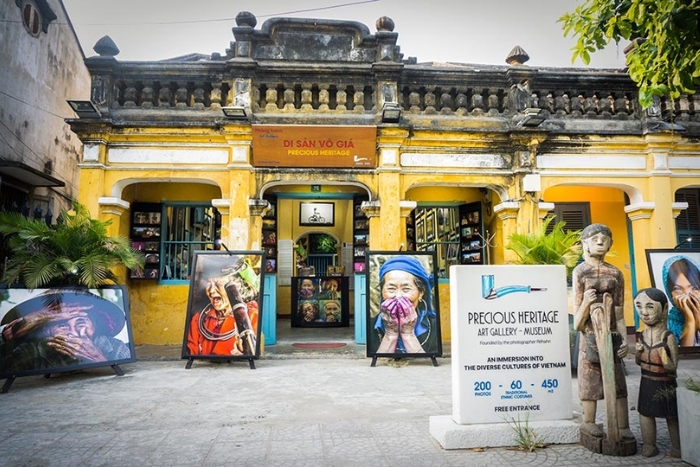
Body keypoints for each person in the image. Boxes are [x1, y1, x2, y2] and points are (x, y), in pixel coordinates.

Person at [572, 223, 633, 440]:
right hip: (589, 336)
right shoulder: (580, 272)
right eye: (595, 238)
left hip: (611, 337)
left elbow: (619, 313)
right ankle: (589, 422)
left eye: (605, 238)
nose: (600, 241)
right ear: (585, 243)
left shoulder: (615, 273)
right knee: (589, 383)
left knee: (618, 383)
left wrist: (624, 340)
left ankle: (623, 425)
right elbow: (577, 324)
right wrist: (587, 304)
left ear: (610, 244)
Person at [0, 291, 130, 374]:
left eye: (80, 323)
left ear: (94, 327)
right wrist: (15, 330)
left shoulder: (114, 347)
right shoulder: (30, 351)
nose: (73, 333)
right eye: (62, 325)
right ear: (46, 331)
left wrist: (97, 358)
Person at [633, 288, 681, 458]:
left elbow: (673, 367)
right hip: (646, 381)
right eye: (639, 306)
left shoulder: (668, 337)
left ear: (664, 308)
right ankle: (649, 444)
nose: (643, 312)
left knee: (672, 415)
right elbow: (640, 362)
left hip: (665, 382)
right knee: (645, 413)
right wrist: (638, 353)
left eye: (650, 307)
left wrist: (665, 359)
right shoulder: (642, 335)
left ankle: (677, 446)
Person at [373, 255, 438, 354]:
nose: (398, 296)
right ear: (382, 292)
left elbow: (425, 365)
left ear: (421, 293)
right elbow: (380, 365)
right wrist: (390, 334)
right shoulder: (372, 326)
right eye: (391, 288)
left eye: (406, 289)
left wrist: (408, 334)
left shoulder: (434, 327)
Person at [186, 276, 258, 356]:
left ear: (236, 286)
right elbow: (192, 351)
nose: (212, 290)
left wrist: (242, 353)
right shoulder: (198, 319)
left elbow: (253, 350)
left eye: (218, 283)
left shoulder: (252, 316)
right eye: (209, 283)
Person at [662, 256, 700, 347]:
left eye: (694, 288)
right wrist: (690, 321)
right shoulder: (668, 324)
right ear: (670, 293)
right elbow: (684, 356)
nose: (687, 294)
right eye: (678, 289)